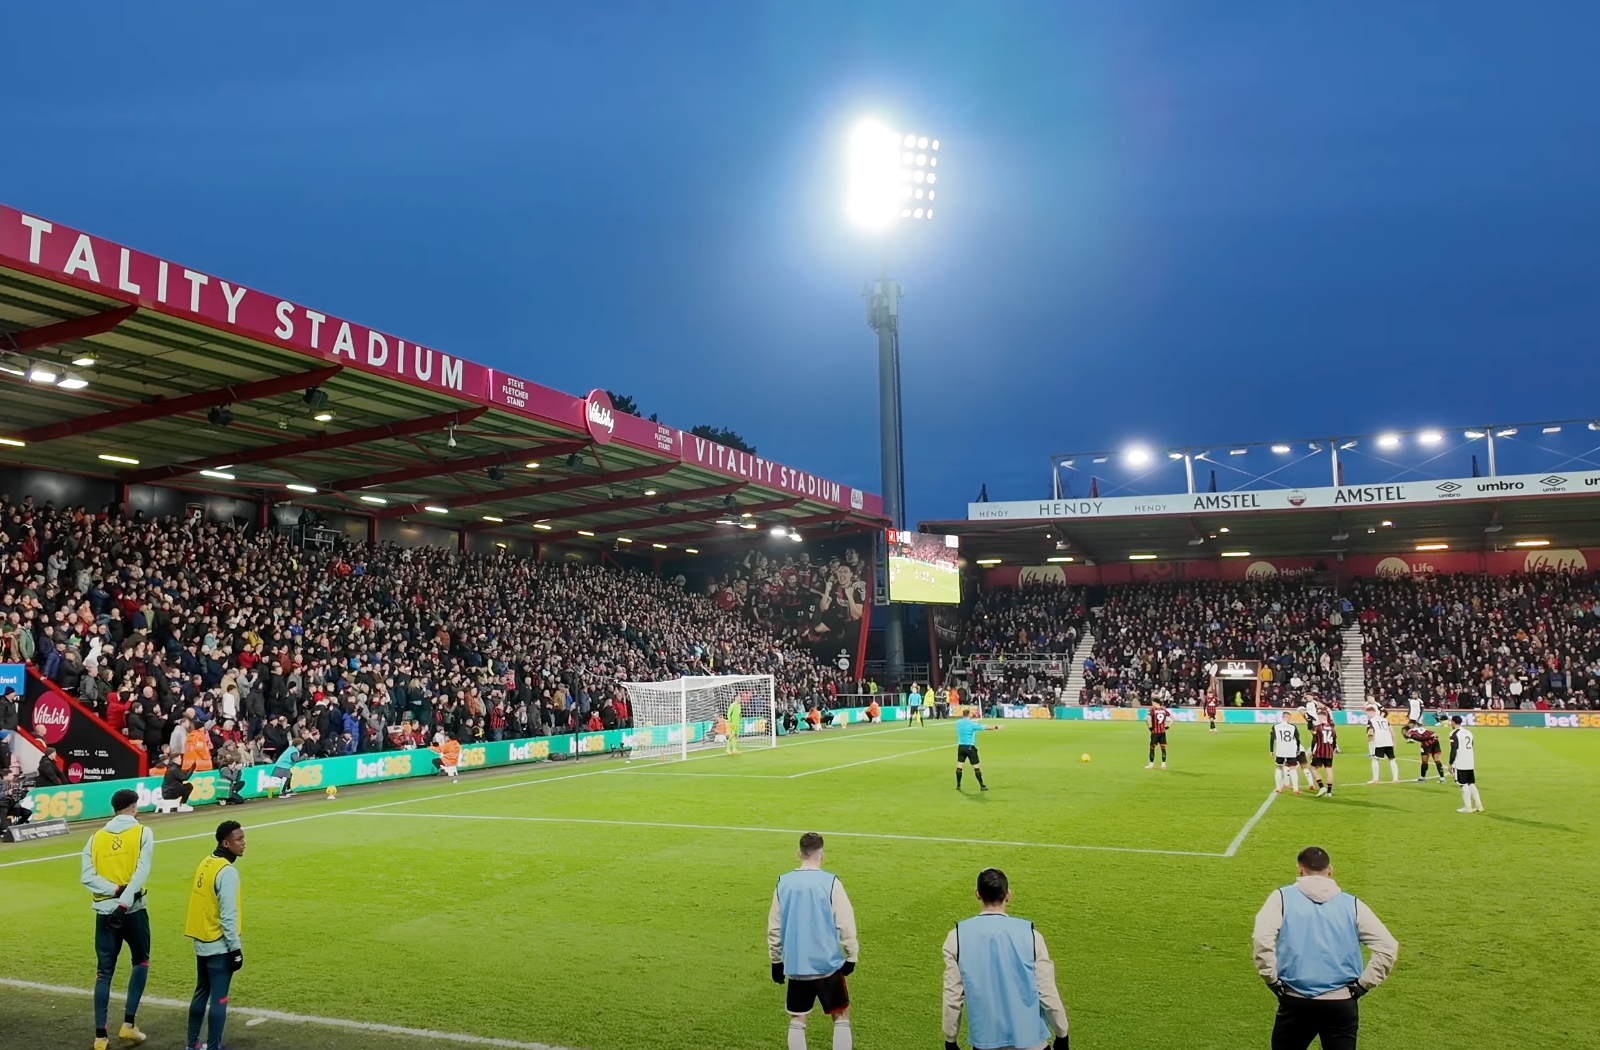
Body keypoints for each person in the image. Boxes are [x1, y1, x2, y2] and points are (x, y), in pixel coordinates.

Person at [1251, 846, 1399, 1050]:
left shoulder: (1281, 898)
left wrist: (1271, 978)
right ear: (1330, 870)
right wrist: (1364, 984)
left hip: (1296, 1000)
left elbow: (1262, 938)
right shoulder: (1352, 904)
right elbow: (1388, 947)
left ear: (1299, 869)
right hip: (1341, 1002)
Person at [941, 867, 1070, 1050]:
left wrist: (950, 1039)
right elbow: (1047, 993)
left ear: (977, 894)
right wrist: (1061, 1033)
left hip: (986, 1043)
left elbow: (952, 997)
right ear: (1008, 895)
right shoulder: (1032, 936)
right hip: (1032, 1043)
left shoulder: (957, 937)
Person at [767, 832, 858, 1050]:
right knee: (841, 1015)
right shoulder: (831, 883)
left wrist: (776, 961)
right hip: (827, 965)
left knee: (798, 1019)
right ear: (822, 855)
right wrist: (851, 955)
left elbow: (774, 926)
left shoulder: (783, 882)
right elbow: (845, 922)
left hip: (797, 965)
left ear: (799, 853)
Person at [79, 787, 153, 1050]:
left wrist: (113, 891)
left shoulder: (95, 838)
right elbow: (141, 872)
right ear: (134, 807)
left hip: (104, 911)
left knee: (104, 973)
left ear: (114, 808)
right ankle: (129, 1025)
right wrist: (124, 901)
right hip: (132, 911)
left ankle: (100, 1037)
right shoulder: (143, 832)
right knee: (141, 961)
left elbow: (86, 877)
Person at [186, 820, 247, 1050]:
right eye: (239, 839)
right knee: (219, 999)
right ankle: (213, 1047)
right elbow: (228, 916)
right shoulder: (227, 872)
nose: (243, 843)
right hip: (219, 946)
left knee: (201, 992)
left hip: (201, 942)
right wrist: (236, 948)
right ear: (225, 842)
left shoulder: (206, 863)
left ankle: (192, 1045)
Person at [1447, 715, 1484, 813]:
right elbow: (1471, 745)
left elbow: (1454, 749)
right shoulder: (1469, 732)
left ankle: (1468, 807)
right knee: (1471, 783)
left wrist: (1450, 763)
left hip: (1460, 762)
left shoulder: (1454, 734)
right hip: (1470, 761)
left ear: (1453, 722)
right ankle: (1479, 806)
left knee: (1463, 784)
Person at [955, 713, 1001, 791]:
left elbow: (966, 722)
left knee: (959, 766)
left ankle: (958, 785)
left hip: (961, 747)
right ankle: (982, 785)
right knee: (976, 767)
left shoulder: (959, 722)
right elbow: (986, 727)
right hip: (970, 747)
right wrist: (997, 727)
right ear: (969, 715)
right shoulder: (973, 724)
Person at [1364, 703, 1400, 786]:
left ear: (1371, 712)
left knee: (1375, 759)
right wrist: (1394, 741)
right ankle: (1395, 778)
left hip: (1379, 742)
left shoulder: (1371, 720)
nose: (1367, 715)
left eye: (1367, 713)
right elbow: (1392, 730)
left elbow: (1371, 732)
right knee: (1392, 759)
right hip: (1388, 741)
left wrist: (1368, 739)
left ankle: (1375, 779)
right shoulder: (1385, 719)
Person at [1271, 714, 1303, 795]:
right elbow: (1298, 739)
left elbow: (1272, 739)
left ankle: (1278, 788)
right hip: (1290, 751)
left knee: (1278, 768)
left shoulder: (1275, 726)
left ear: (1282, 717)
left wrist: (1271, 750)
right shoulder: (1293, 727)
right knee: (1293, 769)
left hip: (1280, 750)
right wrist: (1298, 749)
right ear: (1288, 718)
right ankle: (1296, 789)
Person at [1310, 717, 1338, 797]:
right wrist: (1333, 750)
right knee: (1329, 771)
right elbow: (1335, 741)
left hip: (1320, 752)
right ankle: (1329, 792)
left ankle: (1322, 787)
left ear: (1320, 717)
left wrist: (1312, 750)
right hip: (1329, 753)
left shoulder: (1318, 727)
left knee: (1313, 769)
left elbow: (1314, 739)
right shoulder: (1332, 728)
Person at [1145, 700, 1172, 769]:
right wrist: (1168, 726)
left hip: (1155, 732)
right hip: (1162, 732)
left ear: (1155, 703)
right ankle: (1163, 764)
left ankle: (1151, 764)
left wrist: (1150, 728)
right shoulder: (1164, 710)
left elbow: (1146, 719)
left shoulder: (1152, 709)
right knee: (1163, 748)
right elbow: (1173, 719)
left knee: (1152, 748)